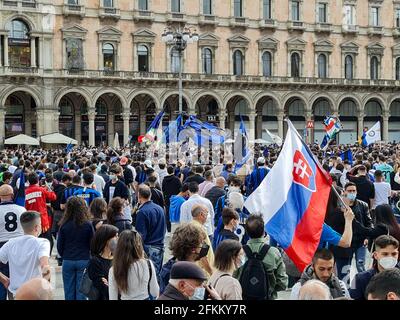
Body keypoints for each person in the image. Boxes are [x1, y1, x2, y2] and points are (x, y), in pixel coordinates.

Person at [234, 214, 287, 300]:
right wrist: (269, 289)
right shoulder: (274, 252)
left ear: (247, 232)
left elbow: (234, 278)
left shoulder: (239, 252)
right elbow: (283, 283)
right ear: (263, 231)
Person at [0, 211, 51, 300]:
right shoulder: (42, 243)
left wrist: (3, 279)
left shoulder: (11, 243)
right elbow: (45, 266)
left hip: (15, 292)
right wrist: (47, 288)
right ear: (36, 227)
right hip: (35, 293)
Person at [57, 196, 95, 300]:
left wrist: (65, 255)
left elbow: (59, 246)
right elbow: (92, 243)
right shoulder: (87, 224)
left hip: (68, 259)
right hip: (84, 259)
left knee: (68, 291)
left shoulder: (64, 225)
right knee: (81, 292)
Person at [108, 229, 159, 300]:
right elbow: (155, 292)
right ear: (138, 246)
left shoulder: (114, 269)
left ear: (119, 247)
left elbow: (112, 298)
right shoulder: (147, 264)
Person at [159, 223, 209, 294]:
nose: (204, 246)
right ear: (193, 249)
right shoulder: (174, 274)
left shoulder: (168, 267)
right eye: (201, 243)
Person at [350, 235, 399, 300]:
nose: (390, 257)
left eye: (394, 254)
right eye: (385, 254)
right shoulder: (359, 279)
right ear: (375, 255)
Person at [0, 185, 26, 300]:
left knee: (2, 280)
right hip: (18, 246)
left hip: (2, 245)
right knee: (18, 279)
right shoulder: (21, 209)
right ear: (12, 195)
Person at [135, 184, 166, 279]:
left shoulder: (142, 212)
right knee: (156, 276)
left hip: (149, 248)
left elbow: (140, 235)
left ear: (139, 196)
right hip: (160, 246)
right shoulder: (159, 209)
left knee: (149, 277)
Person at [25, 172, 57, 253]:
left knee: (33, 242)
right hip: (43, 222)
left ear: (29, 181)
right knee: (47, 241)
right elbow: (53, 197)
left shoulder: (25, 192)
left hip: (31, 222)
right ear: (38, 180)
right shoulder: (42, 189)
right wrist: (49, 188)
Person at [87, 224, 118, 300]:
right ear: (107, 239)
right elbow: (102, 286)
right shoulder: (95, 261)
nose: (118, 238)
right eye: (115, 236)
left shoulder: (118, 258)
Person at [190, 205, 214, 276]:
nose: (208, 216)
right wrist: (211, 272)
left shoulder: (190, 226)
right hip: (202, 271)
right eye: (207, 213)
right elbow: (203, 254)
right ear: (201, 214)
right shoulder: (200, 230)